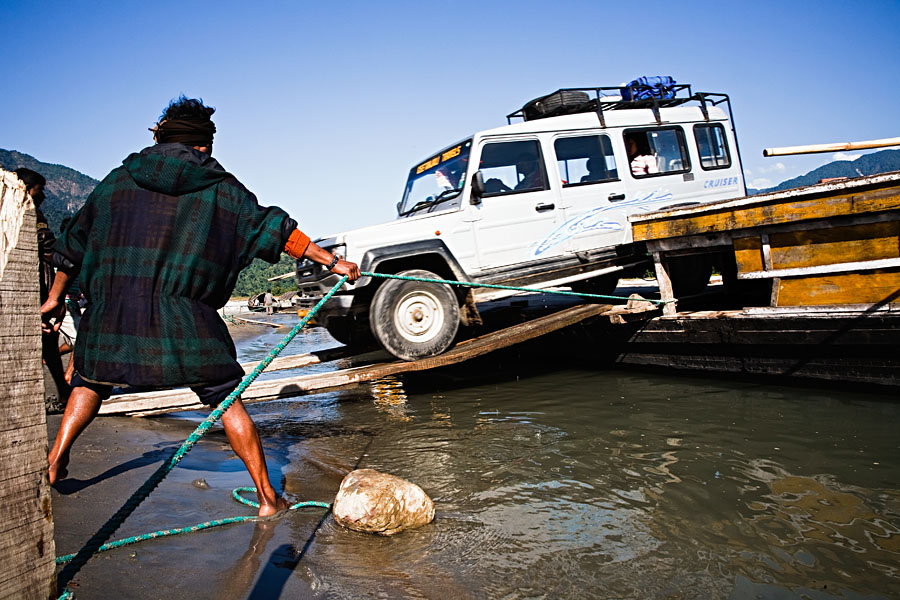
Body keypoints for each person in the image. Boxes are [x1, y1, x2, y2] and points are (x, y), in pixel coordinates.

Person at [41, 96, 361, 517]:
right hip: (185, 318)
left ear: (160, 137)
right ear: (203, 146)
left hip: (112, 315)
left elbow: (73, 245)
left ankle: (56, 459)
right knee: (226, 400)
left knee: (88, 382)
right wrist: (334, 262)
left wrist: (54, 298)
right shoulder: (219, 188)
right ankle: (268, 498)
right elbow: (276, 229)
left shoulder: (117, 182)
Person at [16, 168, 70, 410]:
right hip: (34, 292)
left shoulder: (32, 215)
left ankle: (62, 392)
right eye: (39, 191)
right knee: (45, 342)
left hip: (38, 292)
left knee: (47, 343)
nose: (44, 196)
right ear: (25, 190)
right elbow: (49, 250)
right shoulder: (30, 217)